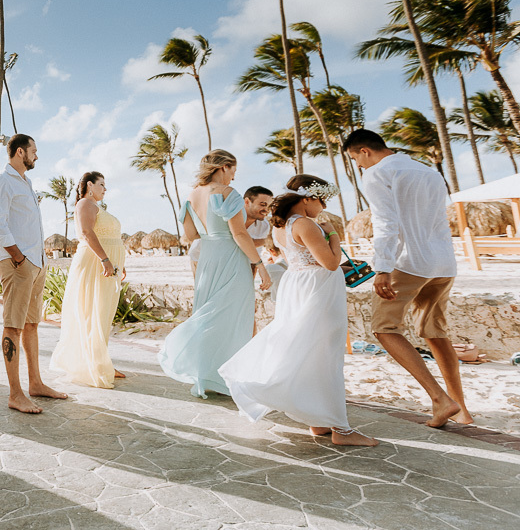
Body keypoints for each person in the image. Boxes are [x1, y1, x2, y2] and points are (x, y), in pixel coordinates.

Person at [220, 175, 379, 447]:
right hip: (318, 290)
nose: (324, 207)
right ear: (308, 199)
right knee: (326, 354)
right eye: (322, 200)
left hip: (299, 286)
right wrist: (333, 234)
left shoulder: (282, 225)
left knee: (309, 351)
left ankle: (318, 421)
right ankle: (340, 429)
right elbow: (330, 263)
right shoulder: (305, 223)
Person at [344, 129, 471, 428]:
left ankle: (441, 400)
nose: (359, 167)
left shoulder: (376, 173)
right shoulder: (427, 171)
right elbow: (440, 218)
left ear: (364, 151)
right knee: (435, 332)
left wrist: (382, 268)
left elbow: (386, 223)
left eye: (356, 160)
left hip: (409, 262)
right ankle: (462, 409)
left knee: (384, 328)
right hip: (443, 262)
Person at [159, 150, 271, 398]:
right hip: (231, 258)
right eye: (233, 171)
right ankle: (228, 376)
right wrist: (260, 265)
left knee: (210, 310)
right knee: (233, 316)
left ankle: (207, 373)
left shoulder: (191, 196)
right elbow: (240, 234)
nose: (233, 177)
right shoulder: (228, 194)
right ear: (225, 167)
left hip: (208, 257)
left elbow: (190, 236)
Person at [0, 134, 67, 414]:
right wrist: (19, 257)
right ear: (20, 152)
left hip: (36, 262)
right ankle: (15, 393)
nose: (37, 156)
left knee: (32, 324)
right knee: (13, 326)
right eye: (34, 151)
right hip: (17, 263)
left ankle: (36, 384)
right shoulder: (1, 182)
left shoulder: (26, 182)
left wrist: (36, 260)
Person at [50, 171, 127, 388]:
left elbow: (109, 237)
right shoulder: (85, 203)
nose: (105, 189)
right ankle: (95, 364)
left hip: (106, 263)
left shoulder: (98, 207)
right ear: (90, 185)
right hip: (94, 263)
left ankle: (102, 361)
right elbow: (86, 232)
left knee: (104, 313)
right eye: (102, 184)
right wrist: (105, 259)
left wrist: (119, 263)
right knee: (93, 311)